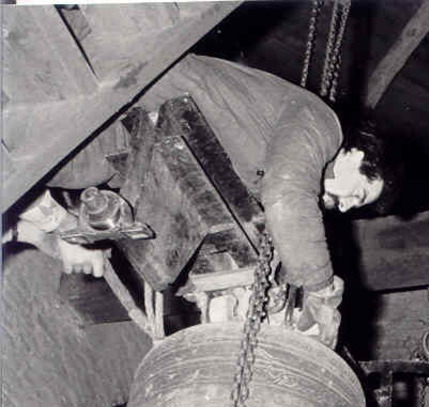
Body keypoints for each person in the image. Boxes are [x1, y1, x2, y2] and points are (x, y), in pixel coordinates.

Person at [7, 54, 397, 346]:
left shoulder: (261, 169)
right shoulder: (323, 124)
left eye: (354, 206)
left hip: (128, 128)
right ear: (356, 156)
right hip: (139, 83)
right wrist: (321, 290)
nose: (347, 206)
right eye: (359, 194)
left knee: (55, 169)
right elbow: (287, 196)